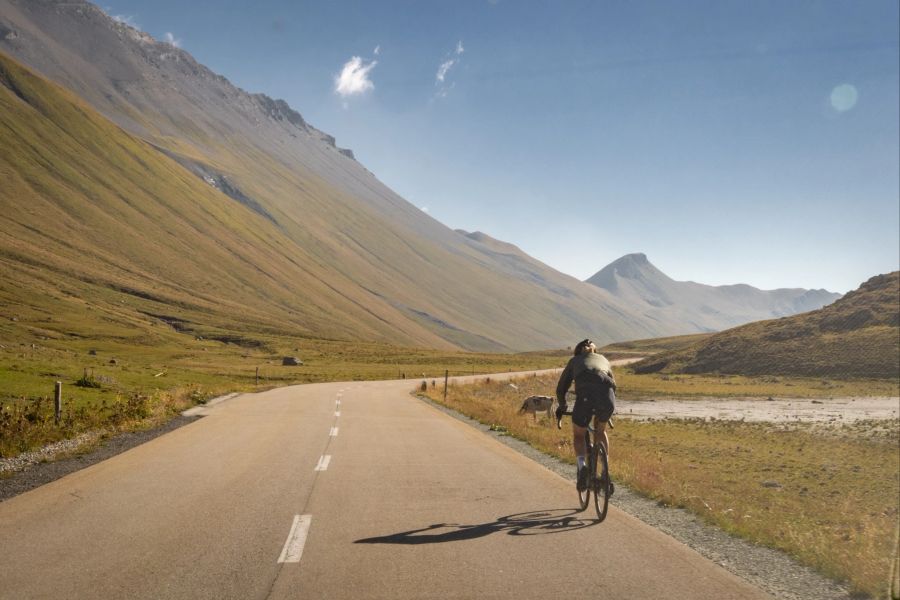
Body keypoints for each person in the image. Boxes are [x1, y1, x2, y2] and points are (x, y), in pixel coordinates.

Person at [555, 339, 616, 494]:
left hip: (585, 397)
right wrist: (608, 410)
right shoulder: (603, 359)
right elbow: (613, 386)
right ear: (594, 351)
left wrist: (562, 406)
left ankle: (582, 467)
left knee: (579, 434)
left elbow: (561, 388)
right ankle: (605, 471)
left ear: (578, 351)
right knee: (601, 431)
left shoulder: (575, 361)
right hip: (607, 397)